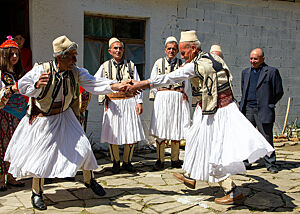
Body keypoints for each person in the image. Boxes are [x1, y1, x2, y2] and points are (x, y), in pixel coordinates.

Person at [126, 30, 275, 205]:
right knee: (193, 139)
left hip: (216, 113)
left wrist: (141, 84)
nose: (182, 56)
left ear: (194, 48)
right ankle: (190, 175)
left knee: (211, 152)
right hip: (211, 108)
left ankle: (232, 190)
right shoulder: (214, 58)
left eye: (184, 52)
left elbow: (169, 77)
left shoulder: (196, 66)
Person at [4, 35, 134, 210]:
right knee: (41, 157)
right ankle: (37, 193)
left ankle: (89, 181)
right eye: (71, 56)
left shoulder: (76, 71)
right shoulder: (42, 70)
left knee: (84, 148)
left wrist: (118, 85)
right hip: (44, 119)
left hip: (65, 116)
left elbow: (94, 83)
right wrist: (36, 86)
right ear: (60, 57)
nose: (75, 59)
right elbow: (22, 86)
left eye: (76, 55)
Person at [94, 37, 145, 174]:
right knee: (113, 134)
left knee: (131, 133)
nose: (118, 51)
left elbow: (137, 83)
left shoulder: (131, 65)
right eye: (115, 48)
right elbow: (97, 83)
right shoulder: (104, 67)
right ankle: (116, 162)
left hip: (129, 101)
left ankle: (127, 162)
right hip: (113, 104)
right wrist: (104, 97)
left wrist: (139, 102)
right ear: (110, 51)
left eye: (120, 48)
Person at [239, 48, 284, 174]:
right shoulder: (245, 72)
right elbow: (244, 89)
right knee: (247, 137)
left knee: (266, 137)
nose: (252, 61)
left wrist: (269, 103)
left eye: (255, 59)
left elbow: (278, 91)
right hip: (248, 109)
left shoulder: (271, 72)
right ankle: (246, 162)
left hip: (263, 109)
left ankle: (270, 163)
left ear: (262, 59)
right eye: (251, 58)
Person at [149, 36, 190, 171]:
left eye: (174, 49)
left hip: (177, 99)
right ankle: (160, 159)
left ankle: (175, 159)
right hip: (162, 98)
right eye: (169, 48)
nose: (171, 51)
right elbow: (153, 81)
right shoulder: (158, 63)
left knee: (176, 128)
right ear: (165, 50)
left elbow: (187, 81)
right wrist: (159, 93)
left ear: (177, 50)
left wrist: (182, 93)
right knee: (161, 127)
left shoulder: (182, 63)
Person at [0, 36, 27, 191]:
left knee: (15, 144)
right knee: (3, 145)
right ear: (5, 55)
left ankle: (11, 175)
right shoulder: (1, 74)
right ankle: (1, 176)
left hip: (19, 114)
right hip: (4, 112)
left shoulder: (19, 74)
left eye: (17, 54)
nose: (15, 57)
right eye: (12, 54)